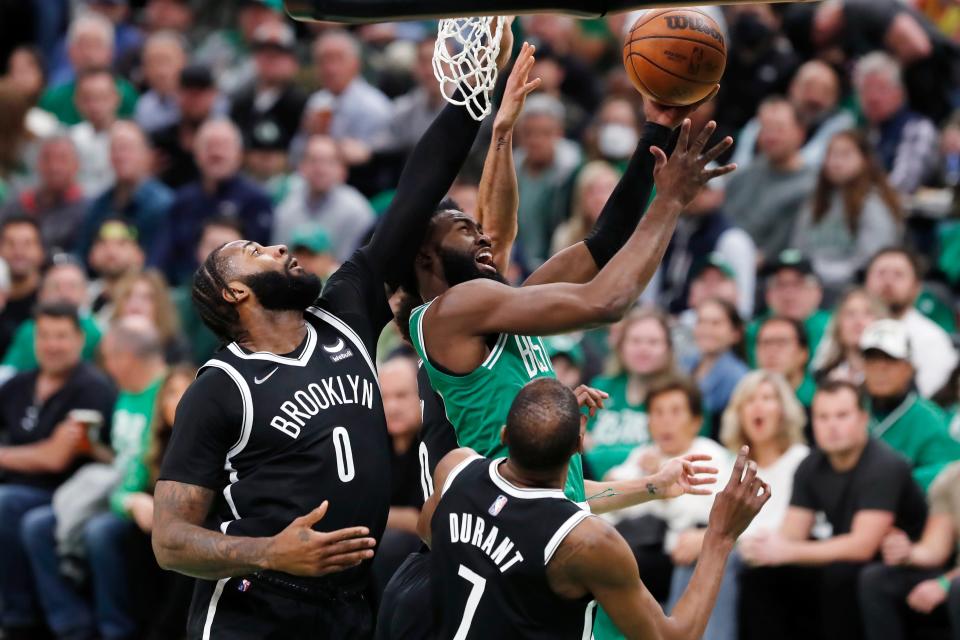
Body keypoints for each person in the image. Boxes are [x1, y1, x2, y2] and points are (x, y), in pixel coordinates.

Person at [150, 29, 520, 639]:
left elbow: (417, 191)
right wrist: (267, 551)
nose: (277, 247)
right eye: (254, 252)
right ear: (233, 293)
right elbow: (170, 540)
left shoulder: (344, 308)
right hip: (256, 606)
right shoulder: (221, 386)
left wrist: (472, 87)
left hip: (348, 604)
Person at [420, 377, 769, 640]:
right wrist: (720, 537)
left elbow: (433, 532)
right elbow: (671, 636)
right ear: (578, 445)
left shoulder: (455, 470)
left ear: (505, 435)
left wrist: (654, 485)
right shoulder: (587, 542)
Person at [740, 380, 929, 640]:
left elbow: (863, 545)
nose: (832, 426)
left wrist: (787, 550)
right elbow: (792, 534)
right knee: (761, 575)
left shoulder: (885, 465)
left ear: (863, 418)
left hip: (905, 560)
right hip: (849, 555)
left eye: (842, 416)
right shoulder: (811, 466)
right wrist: (764, 548)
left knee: (839, 577)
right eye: (823, 417)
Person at [22, 316, 168, 640]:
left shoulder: (168, 395)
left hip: (145, 501)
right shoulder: (126, 394)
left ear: (123, 358)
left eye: (108, 358)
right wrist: (93, 448)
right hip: (116, 493)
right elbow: (123, 458)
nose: (107, 366)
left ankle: (117, 630)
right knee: (38, 525)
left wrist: (137, 498)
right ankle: (73, 626)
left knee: (99, 532)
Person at [0, 302, 116, 638]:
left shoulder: (92, 387)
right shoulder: (19, 384)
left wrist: (4, 455)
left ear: (80, 340)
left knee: (7, 505)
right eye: (45, 336)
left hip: (67, 492)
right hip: (20, 486)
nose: (52, 345)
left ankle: (20, 618)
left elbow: (55, 459)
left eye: (61, 337)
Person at [603, 377, 735, 638]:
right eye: (658, 412)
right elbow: (611, 503)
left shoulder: (710, 457)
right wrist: (641, 482)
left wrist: (657, 490)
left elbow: (697, 516)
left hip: (679, 555)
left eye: (675, 412)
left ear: (696, 421)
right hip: (637, 550)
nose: (665, 421)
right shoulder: (643, 455)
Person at [719, 371, 810, 639]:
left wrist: (717, 539)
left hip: (786, 557)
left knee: (721, 556)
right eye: (750, 400)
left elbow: (782, 530)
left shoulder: (801, 460)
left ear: (783, 411)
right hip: (743, 552)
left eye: (767, 398)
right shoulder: (731, 464)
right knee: (690, 560)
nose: (758, 406)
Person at [120, 364, 197, 640]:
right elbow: (121, 491)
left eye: (186, 391)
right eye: (170, 393)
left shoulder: (211, 441)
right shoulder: (156, 444)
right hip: (158, 531)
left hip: (197, 532)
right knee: (130, 533)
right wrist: (133, 501)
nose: (177, 399)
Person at [152, 118, 273, 285]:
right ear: (196, 154)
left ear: (239, 154)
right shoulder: (182, 200)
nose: (216, 153)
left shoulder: (256, 200)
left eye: (224, 146)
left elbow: (261, 261)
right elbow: (161, 255)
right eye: (209, 146)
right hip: (185, 289)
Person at [791, 131, 903, 298]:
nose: (836, 162)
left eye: (845, 154)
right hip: (809, 284)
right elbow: (797, 247)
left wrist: (825, 275)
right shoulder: (815, 201)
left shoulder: (873, 204)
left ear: (865, 160)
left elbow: (872, 258)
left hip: (853, 287)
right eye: (831, 154)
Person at [860, 460, 960, 640]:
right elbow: (936, 549)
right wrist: (907, 553)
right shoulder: (952, 477)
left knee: (957, 588)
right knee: (877, 579)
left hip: (955, 583)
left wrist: (944, 583)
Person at [859, 319, 960, 491]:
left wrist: (896, 481)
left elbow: (948, 473)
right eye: (873, 361)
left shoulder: (929, 419)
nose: (880, 370)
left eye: (890, 361)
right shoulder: (848, 410)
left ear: (908, 368)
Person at [586, 309, 679, 480]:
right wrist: (638, 454)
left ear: (668, 348)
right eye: (635, 341)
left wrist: (597, 452)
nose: (643, 349)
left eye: (653, 342)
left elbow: (673, 458)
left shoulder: (680, 398)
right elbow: (580, 447)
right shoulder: (601, 387)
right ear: (621, 347)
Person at [723, 97, 817, 261]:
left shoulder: (811, 186)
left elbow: (777, 250)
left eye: (779, 129)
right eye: (765, 129)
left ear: (800, 133)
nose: (771, 137)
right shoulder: (743, 175)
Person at [864, 248, 959, 398]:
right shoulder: (849, 328)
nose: (888, 282)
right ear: (866, 281)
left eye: (898, 275)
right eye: (881, 273)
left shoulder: (932, 339)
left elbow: (932, 400)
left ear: (917, 288)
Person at [731, 60, 855, 171]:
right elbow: (737, 165)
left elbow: (814, 164)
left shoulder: (841, 125)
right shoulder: (763, 119)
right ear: (793, 87)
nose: (815, 97)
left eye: (825, 91)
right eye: (809, 87)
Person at [658, 182, 757, 320]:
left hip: (704, 323)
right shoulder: (673, 229)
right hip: (663, 318)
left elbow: (743, 306)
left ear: (719, 194)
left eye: (704, 189)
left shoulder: (732, 240)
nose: (694, 194)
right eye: (690, 186)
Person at [77, 120, 174, 258]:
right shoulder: (99, 205)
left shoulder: (163, 204)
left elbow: (160, 260)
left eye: (127, 149)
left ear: (148, 155)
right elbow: (83, 252)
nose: (120, 156)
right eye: (115, 149)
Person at [272, 135, 375, 263]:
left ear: (343, 170)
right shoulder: (286, 209)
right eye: (313, 160)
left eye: (329, 162)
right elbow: (278, 261)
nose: (320, 169)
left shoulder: (357, 212)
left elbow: (357, 267)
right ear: (301, 167)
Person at [371, 355, 424, 599]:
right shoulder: (372, 445)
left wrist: (378, 514)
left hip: (421, 550)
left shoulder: (434, 444)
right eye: (384, 397)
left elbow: (423, 521)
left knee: (391, 544)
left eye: (401, 395)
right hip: (379, 543)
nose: (391, 406)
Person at [1, 257, 102, 377]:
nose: (64, 293)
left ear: (85, 293)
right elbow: (8, 370)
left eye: (72, 287)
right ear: (41, 294)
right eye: (56, 286)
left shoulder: (96, 331)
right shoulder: (28, 329)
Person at [513, 93, 582, 268]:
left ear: (559, 133)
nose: (536, 141)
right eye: (529, 133)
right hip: (519, 265)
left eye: (545, 133)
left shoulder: (574, 173)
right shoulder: (513, 169)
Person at [305, 30, 392, 167]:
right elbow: (296, 155)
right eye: (322, 60)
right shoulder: (317, 102)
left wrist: (336, 148)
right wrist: (314, 136)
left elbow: (376, 161)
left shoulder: (373, 106)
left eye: (337, 59)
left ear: (356, 64)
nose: (329, 68)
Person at [854, 52, 938, 196]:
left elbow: (903, 185)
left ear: (899, 93)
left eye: (881, 88)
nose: (873, 97)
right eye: (866, 89)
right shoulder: (863, 133)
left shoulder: (917, 129)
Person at [38, 12, 138, 126]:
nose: (89, 54)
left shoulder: (127, 95)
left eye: (96, 45)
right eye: (83, 45)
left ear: (111, 52)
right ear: (69, 51)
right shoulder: (52, 99)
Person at [230, 22, 306, 169]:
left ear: (293, 61)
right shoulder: (240, 100)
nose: (270, 60)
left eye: (278, 54)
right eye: (264, 53)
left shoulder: (302, 103)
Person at [170, 217, 243, 366]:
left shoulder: (254, 308)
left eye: (229, 248)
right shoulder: (173, 303)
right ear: (198, 251)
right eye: (212, 246)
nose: (219, 255)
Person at [745, 250, 831, 367]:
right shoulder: (753, 331)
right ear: (768, 293)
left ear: (817, 292)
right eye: (781, 284)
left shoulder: (831, 328)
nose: (789, 295)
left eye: (798, 284)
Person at [150, 64, 228, 189]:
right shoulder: (161, 141)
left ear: (213, 95)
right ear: (177, 94)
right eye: (188, 93)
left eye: (199, 93)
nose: (194, 100)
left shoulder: (225, 141)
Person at [684, 297, 749, 437]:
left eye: (716, 323)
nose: (706, 329)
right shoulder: (685, 364)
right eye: (701, 322)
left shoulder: (739, 377)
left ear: (735, 333)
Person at [110, 269, 189, 364]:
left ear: (160, 304)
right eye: (128, 296)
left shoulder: (175, 345)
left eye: (146, 298)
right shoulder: (108, 343)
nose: (135, 305)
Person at [812, 288, 888, 385]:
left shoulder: (894, 376)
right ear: (838, 326)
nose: (858, 321)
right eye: (850, 314)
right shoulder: (823, 377)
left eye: (867, 313)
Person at [70, 68, 122, 198]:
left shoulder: (130, 138)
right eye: (87, 99)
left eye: (102, 97)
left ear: (116, 98)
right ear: (77, 102)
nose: (95, 106)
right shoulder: (71, 138)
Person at [550, 160, 620, 255]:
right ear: (580, 198)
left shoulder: (631, 237)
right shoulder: (566, 236)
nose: (599, 198)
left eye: (606, 189)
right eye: (592, 191)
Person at [0, 217, 45, 358]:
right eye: (10, 244)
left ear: (41, 251)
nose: (19, 252)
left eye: (27, 244)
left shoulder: (50, 298)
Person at [87, 219, 145, 323]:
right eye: (103, 243)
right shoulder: (83, 295)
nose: (111, 251)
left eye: (121, 244)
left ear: (139, 255)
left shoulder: (148, 298)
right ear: (91, 254)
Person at [756, 316, 817, 411]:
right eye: (766, 343)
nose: (772, 351)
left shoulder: (818, 399)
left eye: (781, 343)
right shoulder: (746, 399)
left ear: (803, 353)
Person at [134, 30, 187, 134]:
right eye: (153, 62)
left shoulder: (201, 102)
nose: (161, 71)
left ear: (183, 61)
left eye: (166, 61)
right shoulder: (143, 107)